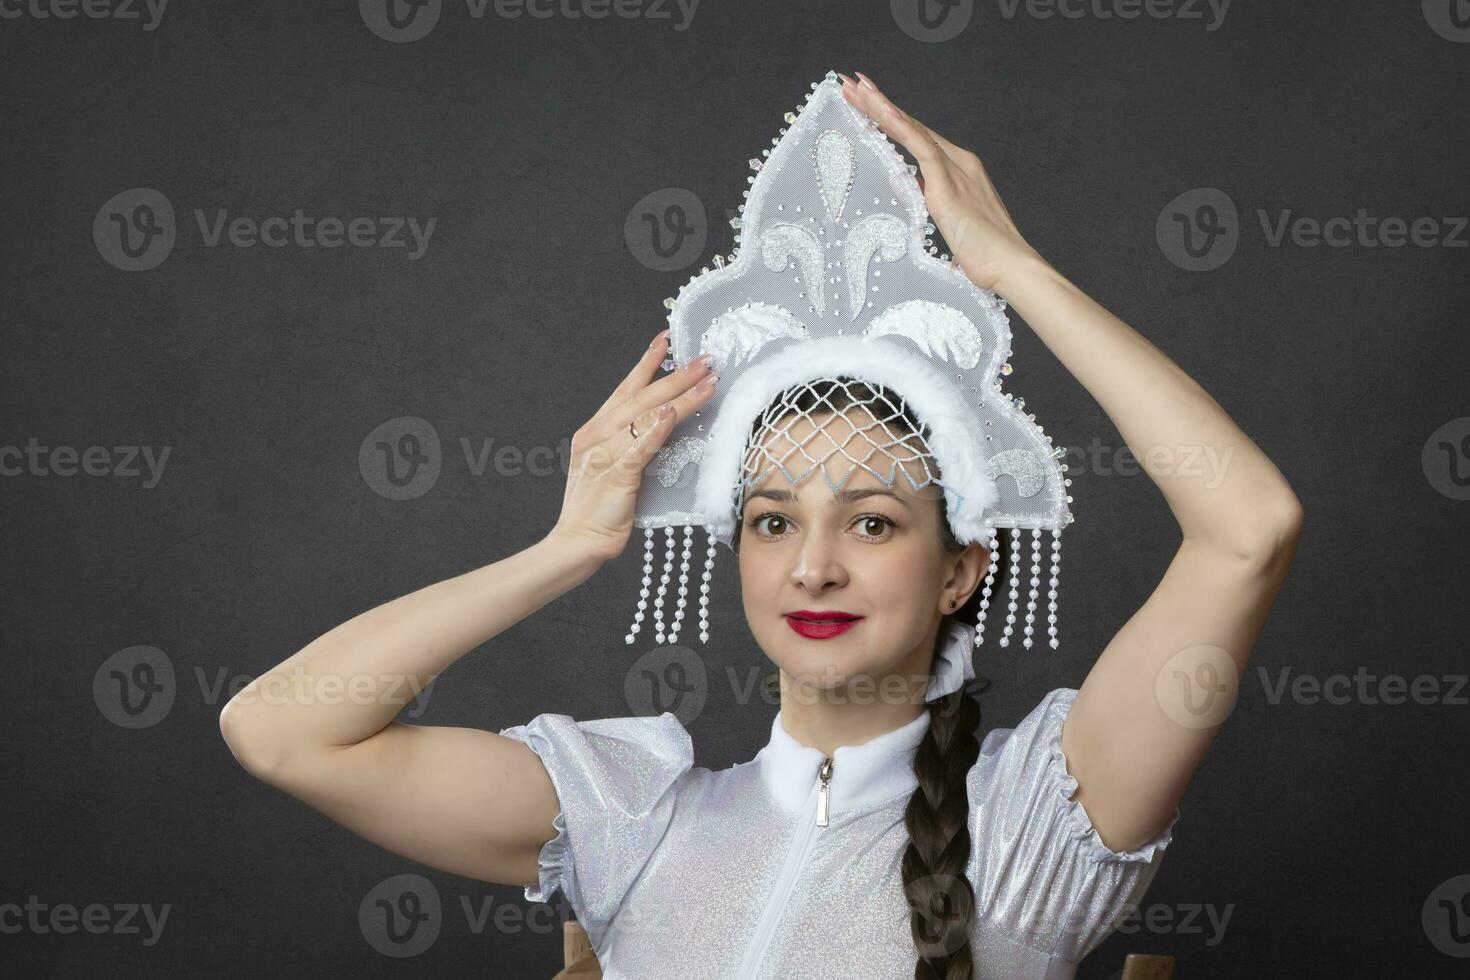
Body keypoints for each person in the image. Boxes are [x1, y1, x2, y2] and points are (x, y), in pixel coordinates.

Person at [218, 70, 1303, 979]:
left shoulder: (1036, 826)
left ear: (961, 568)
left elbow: (1248, 523)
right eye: (773, 521)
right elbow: (280, 727)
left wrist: (1012, 267)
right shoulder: (635, 819)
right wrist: (567, 549)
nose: (814, 567)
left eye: (874, 524)